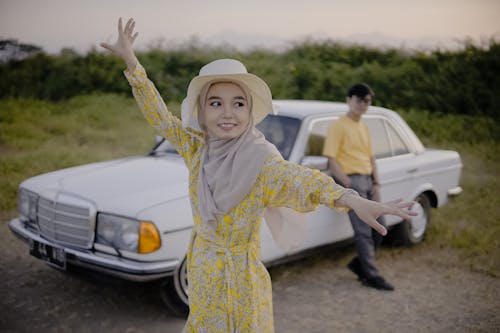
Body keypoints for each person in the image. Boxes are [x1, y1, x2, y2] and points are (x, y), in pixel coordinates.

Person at [101, 18, 415, 333]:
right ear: (202, 112)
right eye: (216, 103)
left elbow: (301, 179)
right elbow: (160, 118)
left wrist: (350, 198)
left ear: (250, 111)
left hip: (242, 279)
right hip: (203, 269)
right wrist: (132, 62)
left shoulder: (261, 161)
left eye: (239, 103)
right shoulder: (197, 150)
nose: (227, 112)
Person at [323, 83, 395, 291]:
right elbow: (331, 159)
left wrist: (376, 182)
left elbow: (371, 157)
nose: (362, 104)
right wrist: (345, 181)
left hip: (368, 180)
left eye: (367, 101)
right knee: (363, 230)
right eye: (358, 99)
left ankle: (359, 264)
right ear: (348, 100)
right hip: (351, 181)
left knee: (380, 228)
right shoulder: (338, 125)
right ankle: (371, 275)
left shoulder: (363, 126)